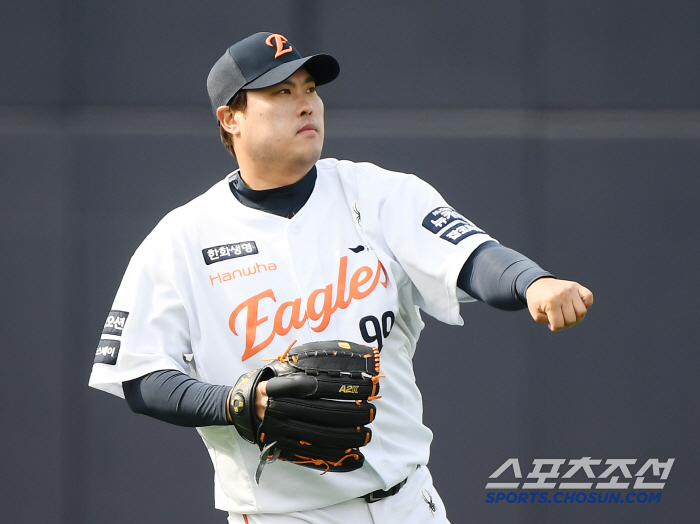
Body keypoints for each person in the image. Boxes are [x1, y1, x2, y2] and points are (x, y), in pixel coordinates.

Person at [89, 32, 593, 523]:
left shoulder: (375, 194)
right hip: (283, 515)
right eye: (281, 92)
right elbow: (140, 376)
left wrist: (533, 282)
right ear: (231, 118)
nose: (306, 104)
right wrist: (235, 401)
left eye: (311, 88)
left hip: (408, 503)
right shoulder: (183, 237)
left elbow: (472, 258)